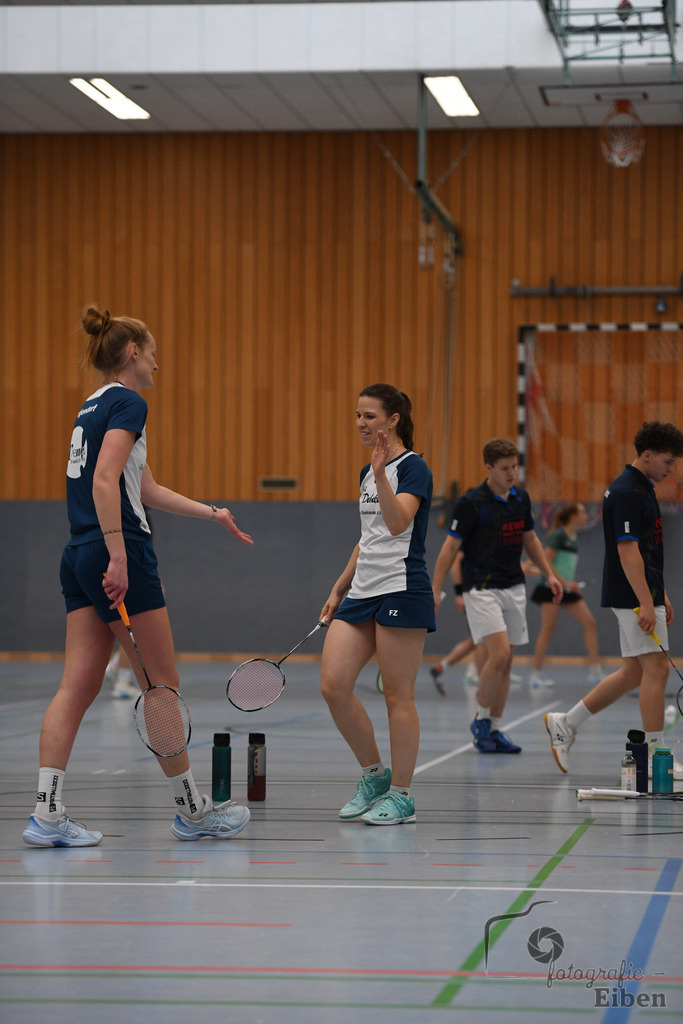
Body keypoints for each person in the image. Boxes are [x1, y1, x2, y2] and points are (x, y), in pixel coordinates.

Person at [23, 306, 254, 848]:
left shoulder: (93, 406)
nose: (157, 362)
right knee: (161, 687)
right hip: (113, 553)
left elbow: (141, 487)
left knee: (75, 687)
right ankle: (193, 812)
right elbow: (106, 482)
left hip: (77, 553)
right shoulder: (130, 401)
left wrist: (211, 511)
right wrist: (119, 556)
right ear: (132, 354)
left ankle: (47, 816)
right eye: (152, 351)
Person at [320, 383, 434, 825]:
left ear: (393, 420)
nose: (361, 424)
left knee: (396, 695)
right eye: (358, 415)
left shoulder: (412, 468)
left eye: (369, 416)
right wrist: (339, 586)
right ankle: (374, 775)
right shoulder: (367, 472)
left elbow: (398, 520)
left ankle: (402, 795)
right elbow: (369, 537)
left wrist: (384, 473)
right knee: (334, 685)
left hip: (403, 587)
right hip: (363, 589)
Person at [545, 421, 683, 779]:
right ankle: (656, 758)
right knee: (658, 668)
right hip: (632, 595)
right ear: (648, 455)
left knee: (634, 672)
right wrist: (646, 601)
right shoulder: (626, 492)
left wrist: (660, 592)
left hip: (642, 592)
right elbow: (627, 552)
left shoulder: (643, 488)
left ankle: (566, 722)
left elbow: (648, 549)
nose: (672, 469)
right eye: (668, 462)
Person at [431, 438, 562, 754]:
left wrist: (550, 573)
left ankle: (495, 728)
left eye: (514, 466)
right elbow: (450, 548)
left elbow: (530, 538)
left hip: (514, 587)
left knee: (507, 662)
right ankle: (481, 720)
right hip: (481, 588)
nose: (511, 473)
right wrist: (435, 588)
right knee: (499, 654)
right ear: (488, 467)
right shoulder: (471, 503)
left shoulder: (520, 498)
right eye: (505, 468)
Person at [529, 503, 603, 688]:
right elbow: (547, 562)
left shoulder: (573, 536)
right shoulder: (558, 535)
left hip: (567, 589)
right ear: (573, 516)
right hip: (551, 588)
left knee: (590, 623)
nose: (586, 516)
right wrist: (563, 582)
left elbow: (565, 566)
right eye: (582, 513)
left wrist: (570, 584)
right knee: (548, 629)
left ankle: (595, 670)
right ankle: (536, 675)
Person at [430, 552, 480, 695]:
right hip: (475, 594)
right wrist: (459, 593)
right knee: (481, 639)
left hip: (485, 592)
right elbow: (455, 560)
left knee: (477, 640)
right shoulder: (467, 536)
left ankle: (441, 668)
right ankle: (476, 675)